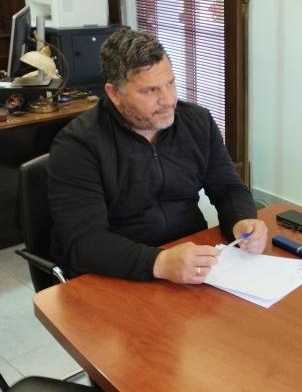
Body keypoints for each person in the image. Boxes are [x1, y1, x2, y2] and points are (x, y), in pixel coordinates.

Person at [48, 28, 267, 284]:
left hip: (188, 263)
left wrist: (242, 221)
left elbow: (228, 189)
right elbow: (84, 242)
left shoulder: (197, 123)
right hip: (115, 273)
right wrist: (159, 263)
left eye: (170, 83)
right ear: (114, 93)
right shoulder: (77, 146)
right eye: (150, 90)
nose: (168, 100)